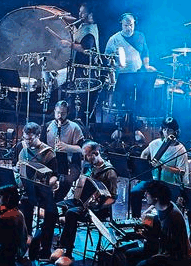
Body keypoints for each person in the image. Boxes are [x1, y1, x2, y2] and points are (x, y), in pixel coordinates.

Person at [51, 141, 119, 264]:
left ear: (96, 153)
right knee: (57, 206)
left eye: (87, 155)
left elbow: (112, 198)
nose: (85, 158)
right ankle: (61, 246)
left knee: (71, 214)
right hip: (82, 202)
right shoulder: (90, 167)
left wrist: (97, 206)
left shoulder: (110, 172)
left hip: (98, 210)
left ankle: (67, 252)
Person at [125, 180, 191, 266]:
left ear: (156, 198)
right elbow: (152, 220)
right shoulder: (166, 205)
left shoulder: (171, 219)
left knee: (140, 264)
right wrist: (145, 217)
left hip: (174, 258)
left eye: (147, 193)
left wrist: (145, 235)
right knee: (129, 253)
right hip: (163, 248)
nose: (145, 195)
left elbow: (168, 248)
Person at [129, 117, 186, 217]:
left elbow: (181, 171)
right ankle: (136, 218)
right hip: (153, 179)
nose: (166, 132)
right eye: (164, 129)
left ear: (175, 132)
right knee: (135, 192)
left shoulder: (180, 149)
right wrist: (145, 167)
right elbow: (144, 154)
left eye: (170, 130)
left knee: (161, 200)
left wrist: (164, 167)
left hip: (168, 183)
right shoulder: (155, 143)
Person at [19, 122, 60, 260]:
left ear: (38, 136)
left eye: (30, 139)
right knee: (23, 206)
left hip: (43, 191)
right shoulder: (23, 151)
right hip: (28, 191)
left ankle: (45, 248)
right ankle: (26, 240)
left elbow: (55, 175)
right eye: (25, 138)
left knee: (52, 213)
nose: (27, 142)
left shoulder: (48, 153)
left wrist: (49, 183)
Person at [104, 13, 156, 113]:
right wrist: (114, 65)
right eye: (126, 25)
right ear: (121, 24)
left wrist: (146, 66)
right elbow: (107, 56)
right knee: (123, 102)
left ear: (134, 23)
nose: (129, 28)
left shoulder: (140, 36)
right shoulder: (114, 39)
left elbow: (145, 52)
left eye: (131, 25)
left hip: (137, 74)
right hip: (121, 75)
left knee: (138, 102)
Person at [47, 101, 85, 199]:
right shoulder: (48, 126)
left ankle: (58, 201)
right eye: (58, 113)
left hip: (69, 163)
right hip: (52, 160)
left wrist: (67, 147)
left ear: (67, 113)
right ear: (54, 111)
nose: (60, 116)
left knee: (65, 181)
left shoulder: (75, 127)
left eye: (63, 113)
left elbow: (82, 149)